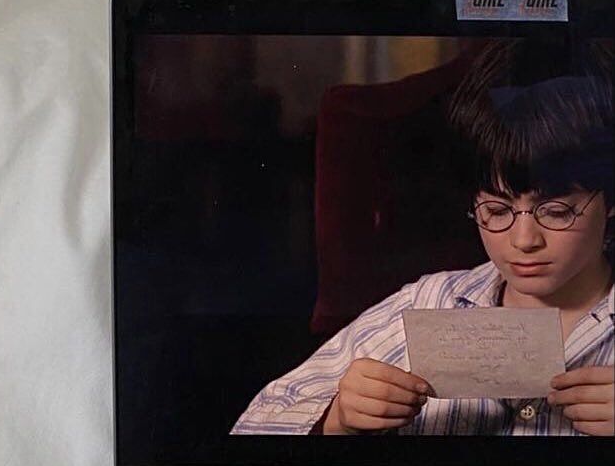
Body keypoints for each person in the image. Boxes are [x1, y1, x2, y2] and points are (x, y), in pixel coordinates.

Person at [231, 37, 614, 436]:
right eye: (496, 210)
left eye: (556, 211)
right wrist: (336, 420)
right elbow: (252, 431)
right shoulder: (428, 304)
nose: (523, 240)